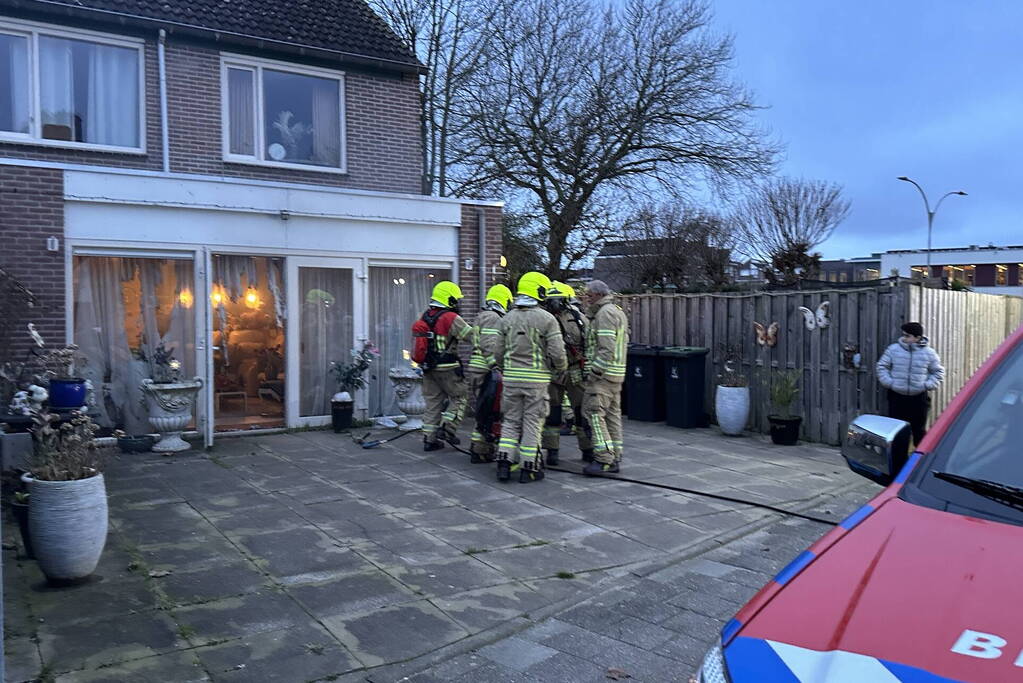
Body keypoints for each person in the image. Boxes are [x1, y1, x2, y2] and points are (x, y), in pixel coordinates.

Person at [493, 272, 567, 483]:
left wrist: (504, 368)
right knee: (532, 423)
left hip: (511, 380)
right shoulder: (547, 319)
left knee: (510, 421)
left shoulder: (506, 318)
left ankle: (504, 464)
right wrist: (561, 368)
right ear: (539, 291)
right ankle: (529, 468)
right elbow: (557, 352)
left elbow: (497, 352)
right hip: (536, 381)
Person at [416, 280, 473, 451]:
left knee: (433, 403)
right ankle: (447, 427)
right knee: (460, 397)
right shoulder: (450, 317)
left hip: (429, 368)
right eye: (456, 299)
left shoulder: (425, 316)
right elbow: (471, 336)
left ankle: (429, 439)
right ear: (450, 299)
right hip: (448, 368)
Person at [541, 281, 592, 465]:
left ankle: (587, 449)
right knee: (553, 412)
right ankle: (552, 451)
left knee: (581, 411)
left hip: (575, 369)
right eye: (551, 300)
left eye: (558, 300)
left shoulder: (578, 317)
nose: (555, 304)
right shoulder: (543, 319)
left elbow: (589, 340)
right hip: (553, 371)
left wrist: (587, 364)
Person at [581, 280, 629, 475]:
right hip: (616, 374)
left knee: (594, 415)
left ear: (599, 294)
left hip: (603, 377)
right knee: (612, 416)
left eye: (589, 295)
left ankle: (603, 459)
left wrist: (594, 372)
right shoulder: (616, 310)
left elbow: (606, 348)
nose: (586, 298)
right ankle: (615, 455)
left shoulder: (604, 314)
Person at [876, 321, 945, 446]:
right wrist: (890, 383)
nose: (904, 338)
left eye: (907, 336)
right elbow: (882, 366)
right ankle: (899, 457)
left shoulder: (929, 353)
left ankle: (919, 457)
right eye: (903, 335)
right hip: (897, 397)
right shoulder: (893, 350)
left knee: (919, 431)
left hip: (919, 398)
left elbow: (938, 372)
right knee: (897, 431)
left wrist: (927, 385)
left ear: (917, 338)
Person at [467, 283, 513, 463]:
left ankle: (479, 448)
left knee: (483, 411)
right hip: (486, 371)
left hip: (478, 369)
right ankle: (481, 451)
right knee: (489, 413)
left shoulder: (482, 315)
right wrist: (496, 367)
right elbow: (490, 345)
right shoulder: (493, 318)